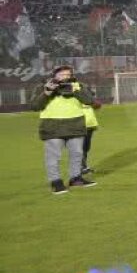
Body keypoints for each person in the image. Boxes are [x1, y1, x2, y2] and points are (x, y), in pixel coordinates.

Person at [31, 65, 96, 194]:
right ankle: (56, 182)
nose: (65, 77)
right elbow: (34, 106)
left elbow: (89, 100)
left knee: (77, 154)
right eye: (61, 74)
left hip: (75, 125)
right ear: (55, 75)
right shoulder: (43, 87)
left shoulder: (78, 85)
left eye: (68, 74)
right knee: (53, 157)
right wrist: (47, 93)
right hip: (52, 127)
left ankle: (75, 178)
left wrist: (75, 91)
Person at [76, 77, 101, 175]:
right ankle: (80, 168)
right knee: (80, 147)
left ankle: (84, 166)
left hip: (90, 125)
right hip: (79, 125)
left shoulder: (88, 99)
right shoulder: (74, 98)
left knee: (86, 147)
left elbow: (96, 106)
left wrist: (95, 103)